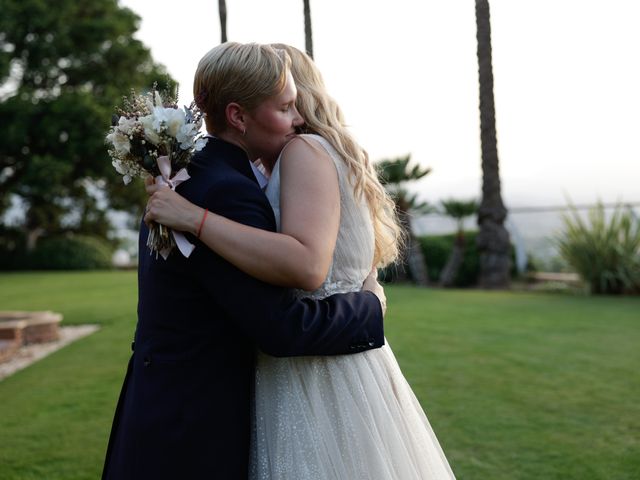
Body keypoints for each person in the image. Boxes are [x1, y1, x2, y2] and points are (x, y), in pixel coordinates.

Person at [145, 44, 456, 479]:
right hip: (335, 359)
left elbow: (308, 268)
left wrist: (195, 219)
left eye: (291, 103)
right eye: (282, 105)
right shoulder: (308, 159)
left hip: (317, 372)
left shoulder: (301, 152)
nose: (291, 117)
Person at [101, 42, 388, 480]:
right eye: (287, 107)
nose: (298, 121)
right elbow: (281, 327)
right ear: (237, 116)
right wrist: (368, 308)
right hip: (194, 429)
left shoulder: (181, 177)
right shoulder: (227, 193)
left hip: (158, 405)